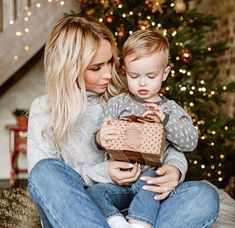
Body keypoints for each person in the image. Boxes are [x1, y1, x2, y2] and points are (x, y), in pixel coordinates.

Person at [27, 15, 219, 228]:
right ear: (69, 67)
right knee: (45, 170)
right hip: (83, 207)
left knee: (204, 196)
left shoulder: (124, 98)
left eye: (111, 62)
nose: (109, 74)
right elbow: (48, 184)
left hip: (141, 201)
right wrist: (104, 172)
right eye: (96, 68)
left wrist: (175, 169)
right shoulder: (45, 110)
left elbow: (165, 143)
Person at [86, 30, 197, 228]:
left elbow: (190, 142)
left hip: (151, 182)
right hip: (119, 183)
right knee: (93, 193)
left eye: (151, 76)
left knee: (153, 183)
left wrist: (165, 121)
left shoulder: (170, 109)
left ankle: (140, 224)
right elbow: (99, 135)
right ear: (125, 71)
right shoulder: (117, 104)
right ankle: (117, 223)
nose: (142, 82)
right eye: (134, 75)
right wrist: (101, 137)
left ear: (165, 74)